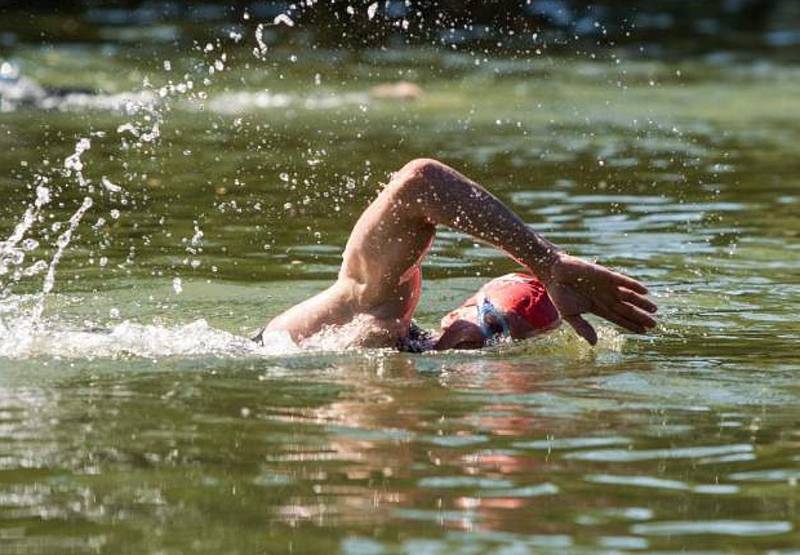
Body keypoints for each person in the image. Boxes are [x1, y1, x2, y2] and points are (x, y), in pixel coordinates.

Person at [255, 159, 657, 351]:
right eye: (490, 325)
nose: (474, 339)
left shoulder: (428, 352)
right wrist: (545, 261)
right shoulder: (375, 304)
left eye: (494, 332)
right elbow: (419, 182)